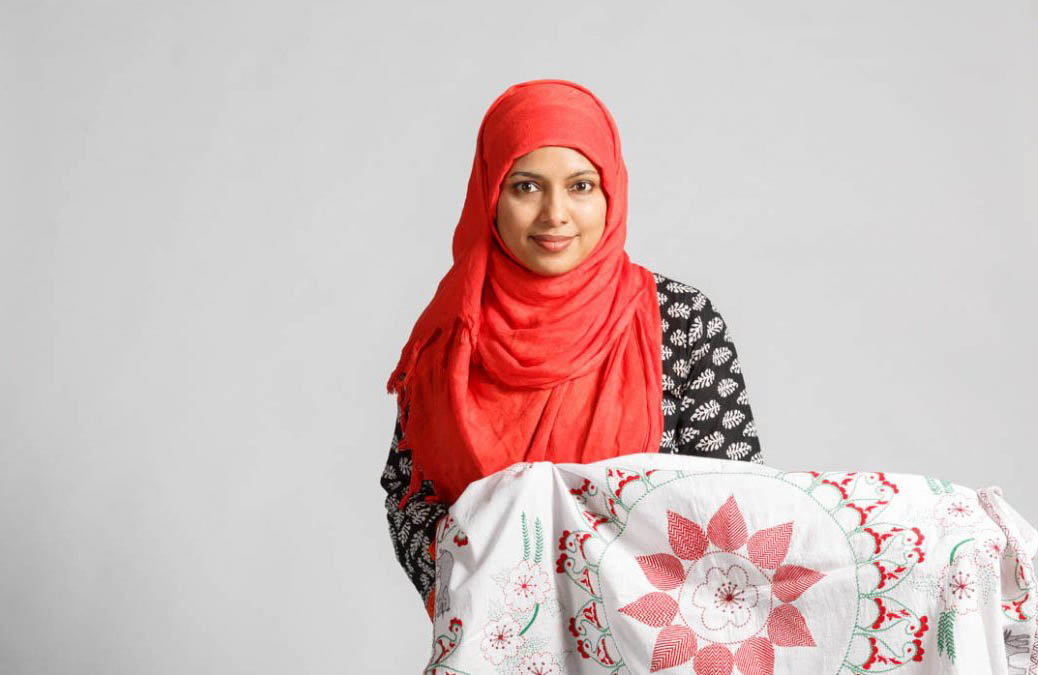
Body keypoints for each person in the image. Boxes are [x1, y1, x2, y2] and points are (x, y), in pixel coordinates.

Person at [379, 79, 764, 621]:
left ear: (611, 191)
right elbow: (408, 492)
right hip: (498, 643)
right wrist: (483, 591)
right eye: (527, 187)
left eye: (581, 186)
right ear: (490, 194)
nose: (555, 214)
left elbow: (735, 506)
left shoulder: (677, 321)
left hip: (655, 643)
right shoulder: (450, 335)